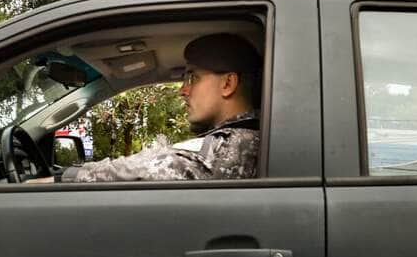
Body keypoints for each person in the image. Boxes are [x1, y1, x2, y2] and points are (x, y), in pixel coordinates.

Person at [38, 33, 262, 183]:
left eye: (192, 78)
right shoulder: (251, 137)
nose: (182, 90)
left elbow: (154, 166)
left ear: (228, 83)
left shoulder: (235, 144)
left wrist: (63, 178)